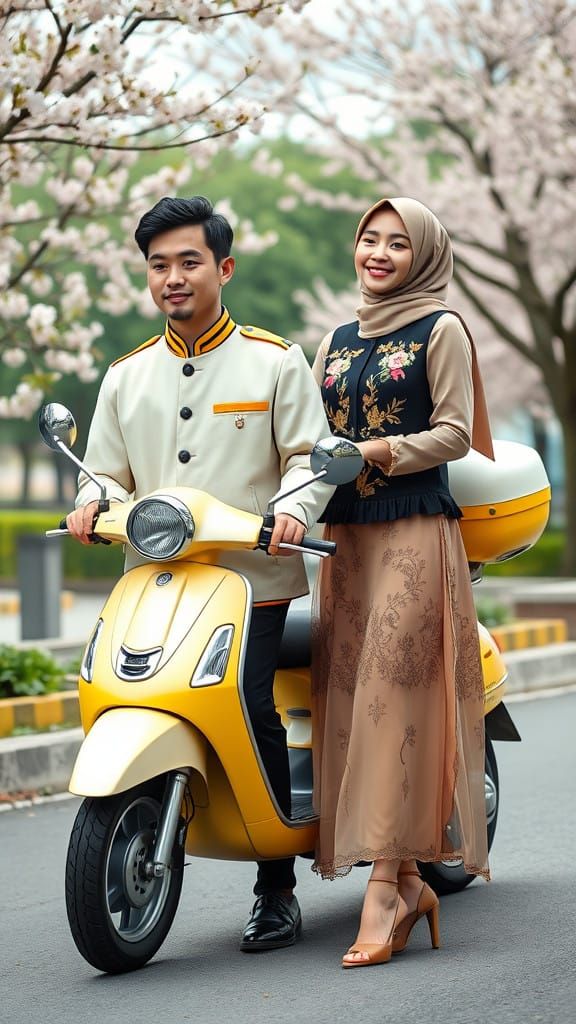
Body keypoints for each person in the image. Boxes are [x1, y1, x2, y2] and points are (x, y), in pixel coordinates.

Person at [66, 195, 335, 953]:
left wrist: (291, 510)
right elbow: (105, 472)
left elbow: (308, 458)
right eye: (159, 265)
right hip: (154, 579)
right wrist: (90, 502)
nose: (173, 278)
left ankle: (275, 885)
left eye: (189, 262)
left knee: (250, 702)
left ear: (224, 267)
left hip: (253, 581)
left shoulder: (272, 359)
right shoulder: (126, 375)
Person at [310, 196, 494, 969]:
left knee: (391, 695)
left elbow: (456, 429)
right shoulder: (338, 335)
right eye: (368, 239)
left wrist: (379, 452)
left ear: (422, 254)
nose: (377, 253)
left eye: (396, 242)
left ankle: (384, 890)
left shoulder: (441, 328)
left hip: (415, 532)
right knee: (354, 698)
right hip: (347, 539)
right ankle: (410, 880)